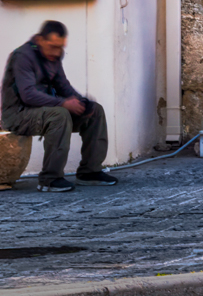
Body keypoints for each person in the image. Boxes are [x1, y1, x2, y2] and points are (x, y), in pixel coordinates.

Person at [1, 20, 117, 192]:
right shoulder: (22, 56)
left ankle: (90, 172)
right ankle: (49, 179)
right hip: (18, 114)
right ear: (40, 40)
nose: (57, 52)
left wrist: (81, 102)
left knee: (95, 110)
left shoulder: (53, 56)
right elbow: (28, 95)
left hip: (44, 111)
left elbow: (63, 86)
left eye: (60, 47)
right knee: (59, 114)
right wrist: (63, 103)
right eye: (53, 46)